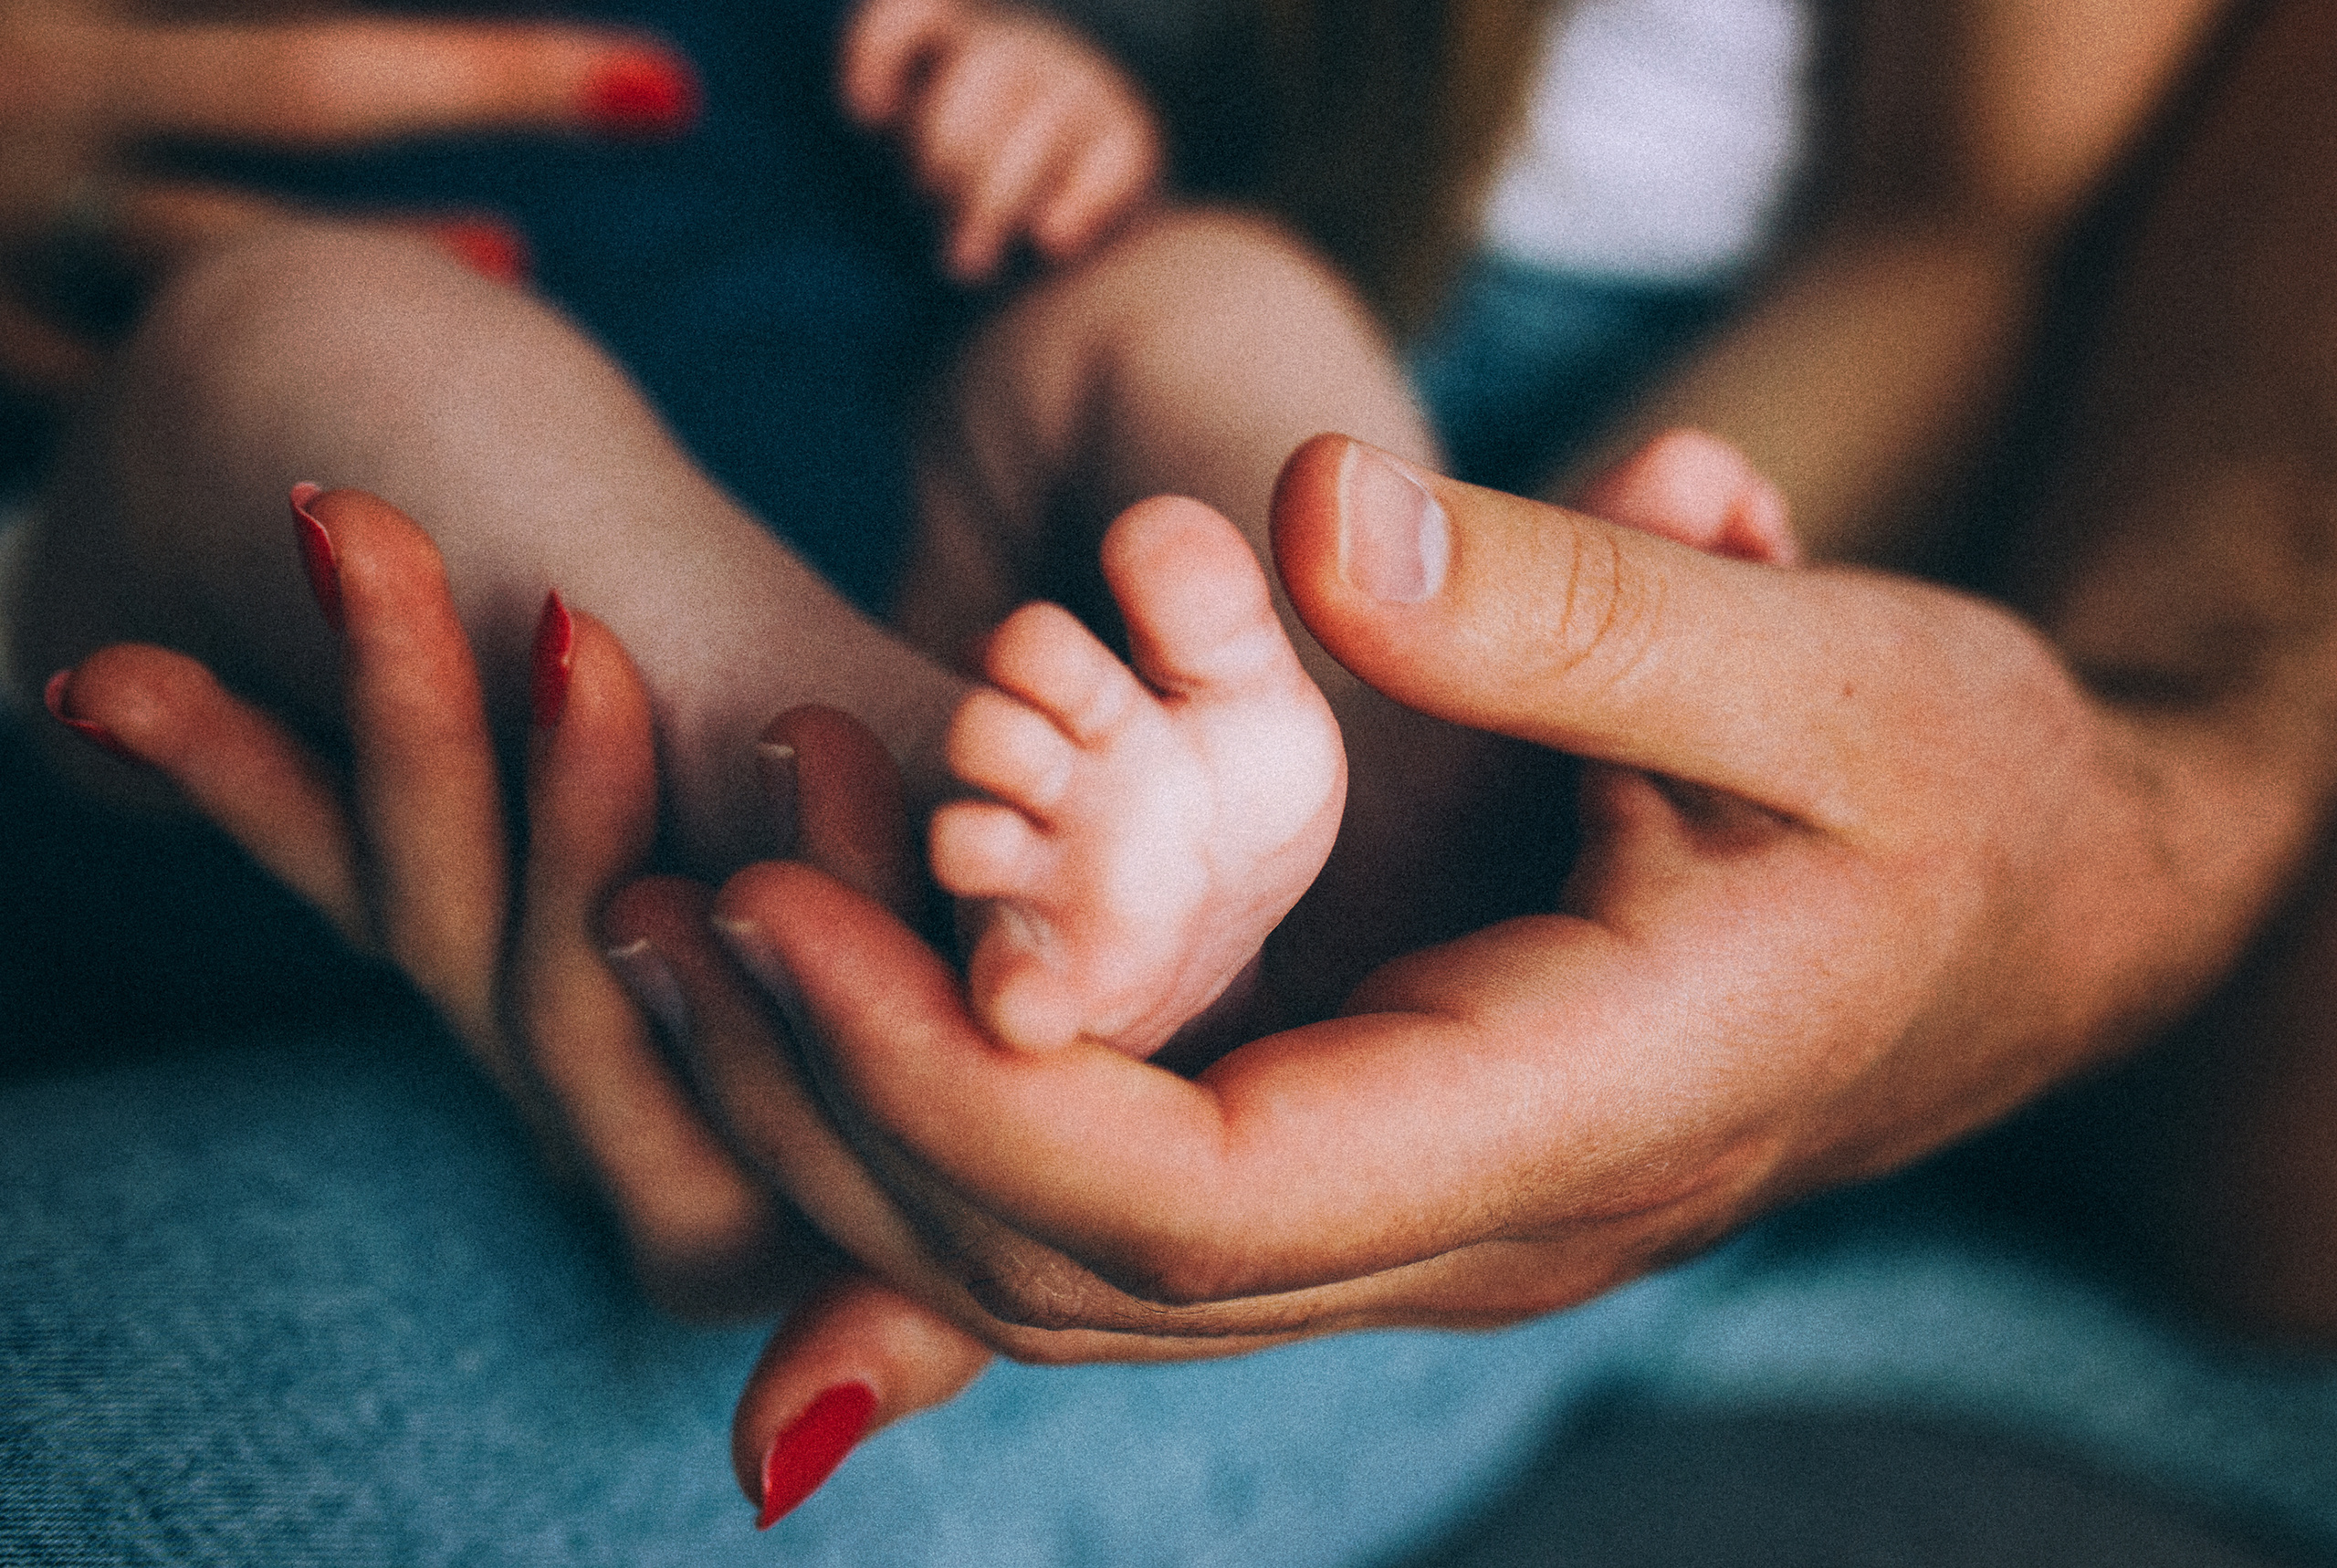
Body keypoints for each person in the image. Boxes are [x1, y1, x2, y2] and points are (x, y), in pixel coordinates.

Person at [20, 0, 2337, 1557]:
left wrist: (1029, 90)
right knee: (301, 349)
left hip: (954, 435)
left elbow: (1958, 231)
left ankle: (1358, 749)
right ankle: (897, 792)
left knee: (1216, 303)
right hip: (217, 584)